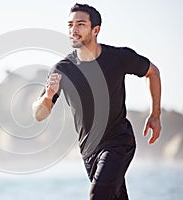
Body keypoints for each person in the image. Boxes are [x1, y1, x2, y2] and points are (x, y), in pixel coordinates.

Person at [32, 3, 161, 200]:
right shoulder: (62, 70)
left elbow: (152, 72)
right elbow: (39, 114)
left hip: (119, 142)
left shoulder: (118, 57)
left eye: (81, 24)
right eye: (70, 25)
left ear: (96, 30)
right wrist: (48, 96)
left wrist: (155, 114)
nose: (73, 30)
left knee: (99, 195)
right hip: (88, 151)